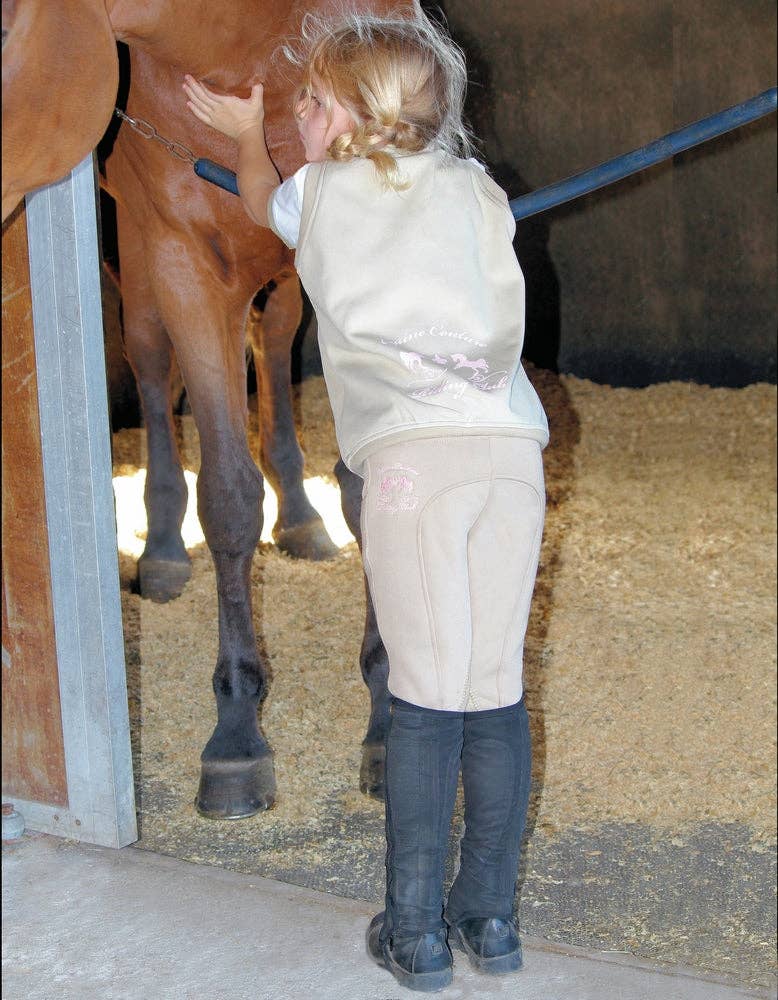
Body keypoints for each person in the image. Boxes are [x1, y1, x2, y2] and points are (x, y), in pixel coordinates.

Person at [184, 10, 548, 993]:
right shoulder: (476, 189)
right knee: (493, 690)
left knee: (425, 704)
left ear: (342, 117)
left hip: (410, 467)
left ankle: (418, 931)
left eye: (307, 103)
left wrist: (237, 131)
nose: (297, 117)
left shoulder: (324, 191)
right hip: (511, 453)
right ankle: (493, 919)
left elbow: (265, 194)